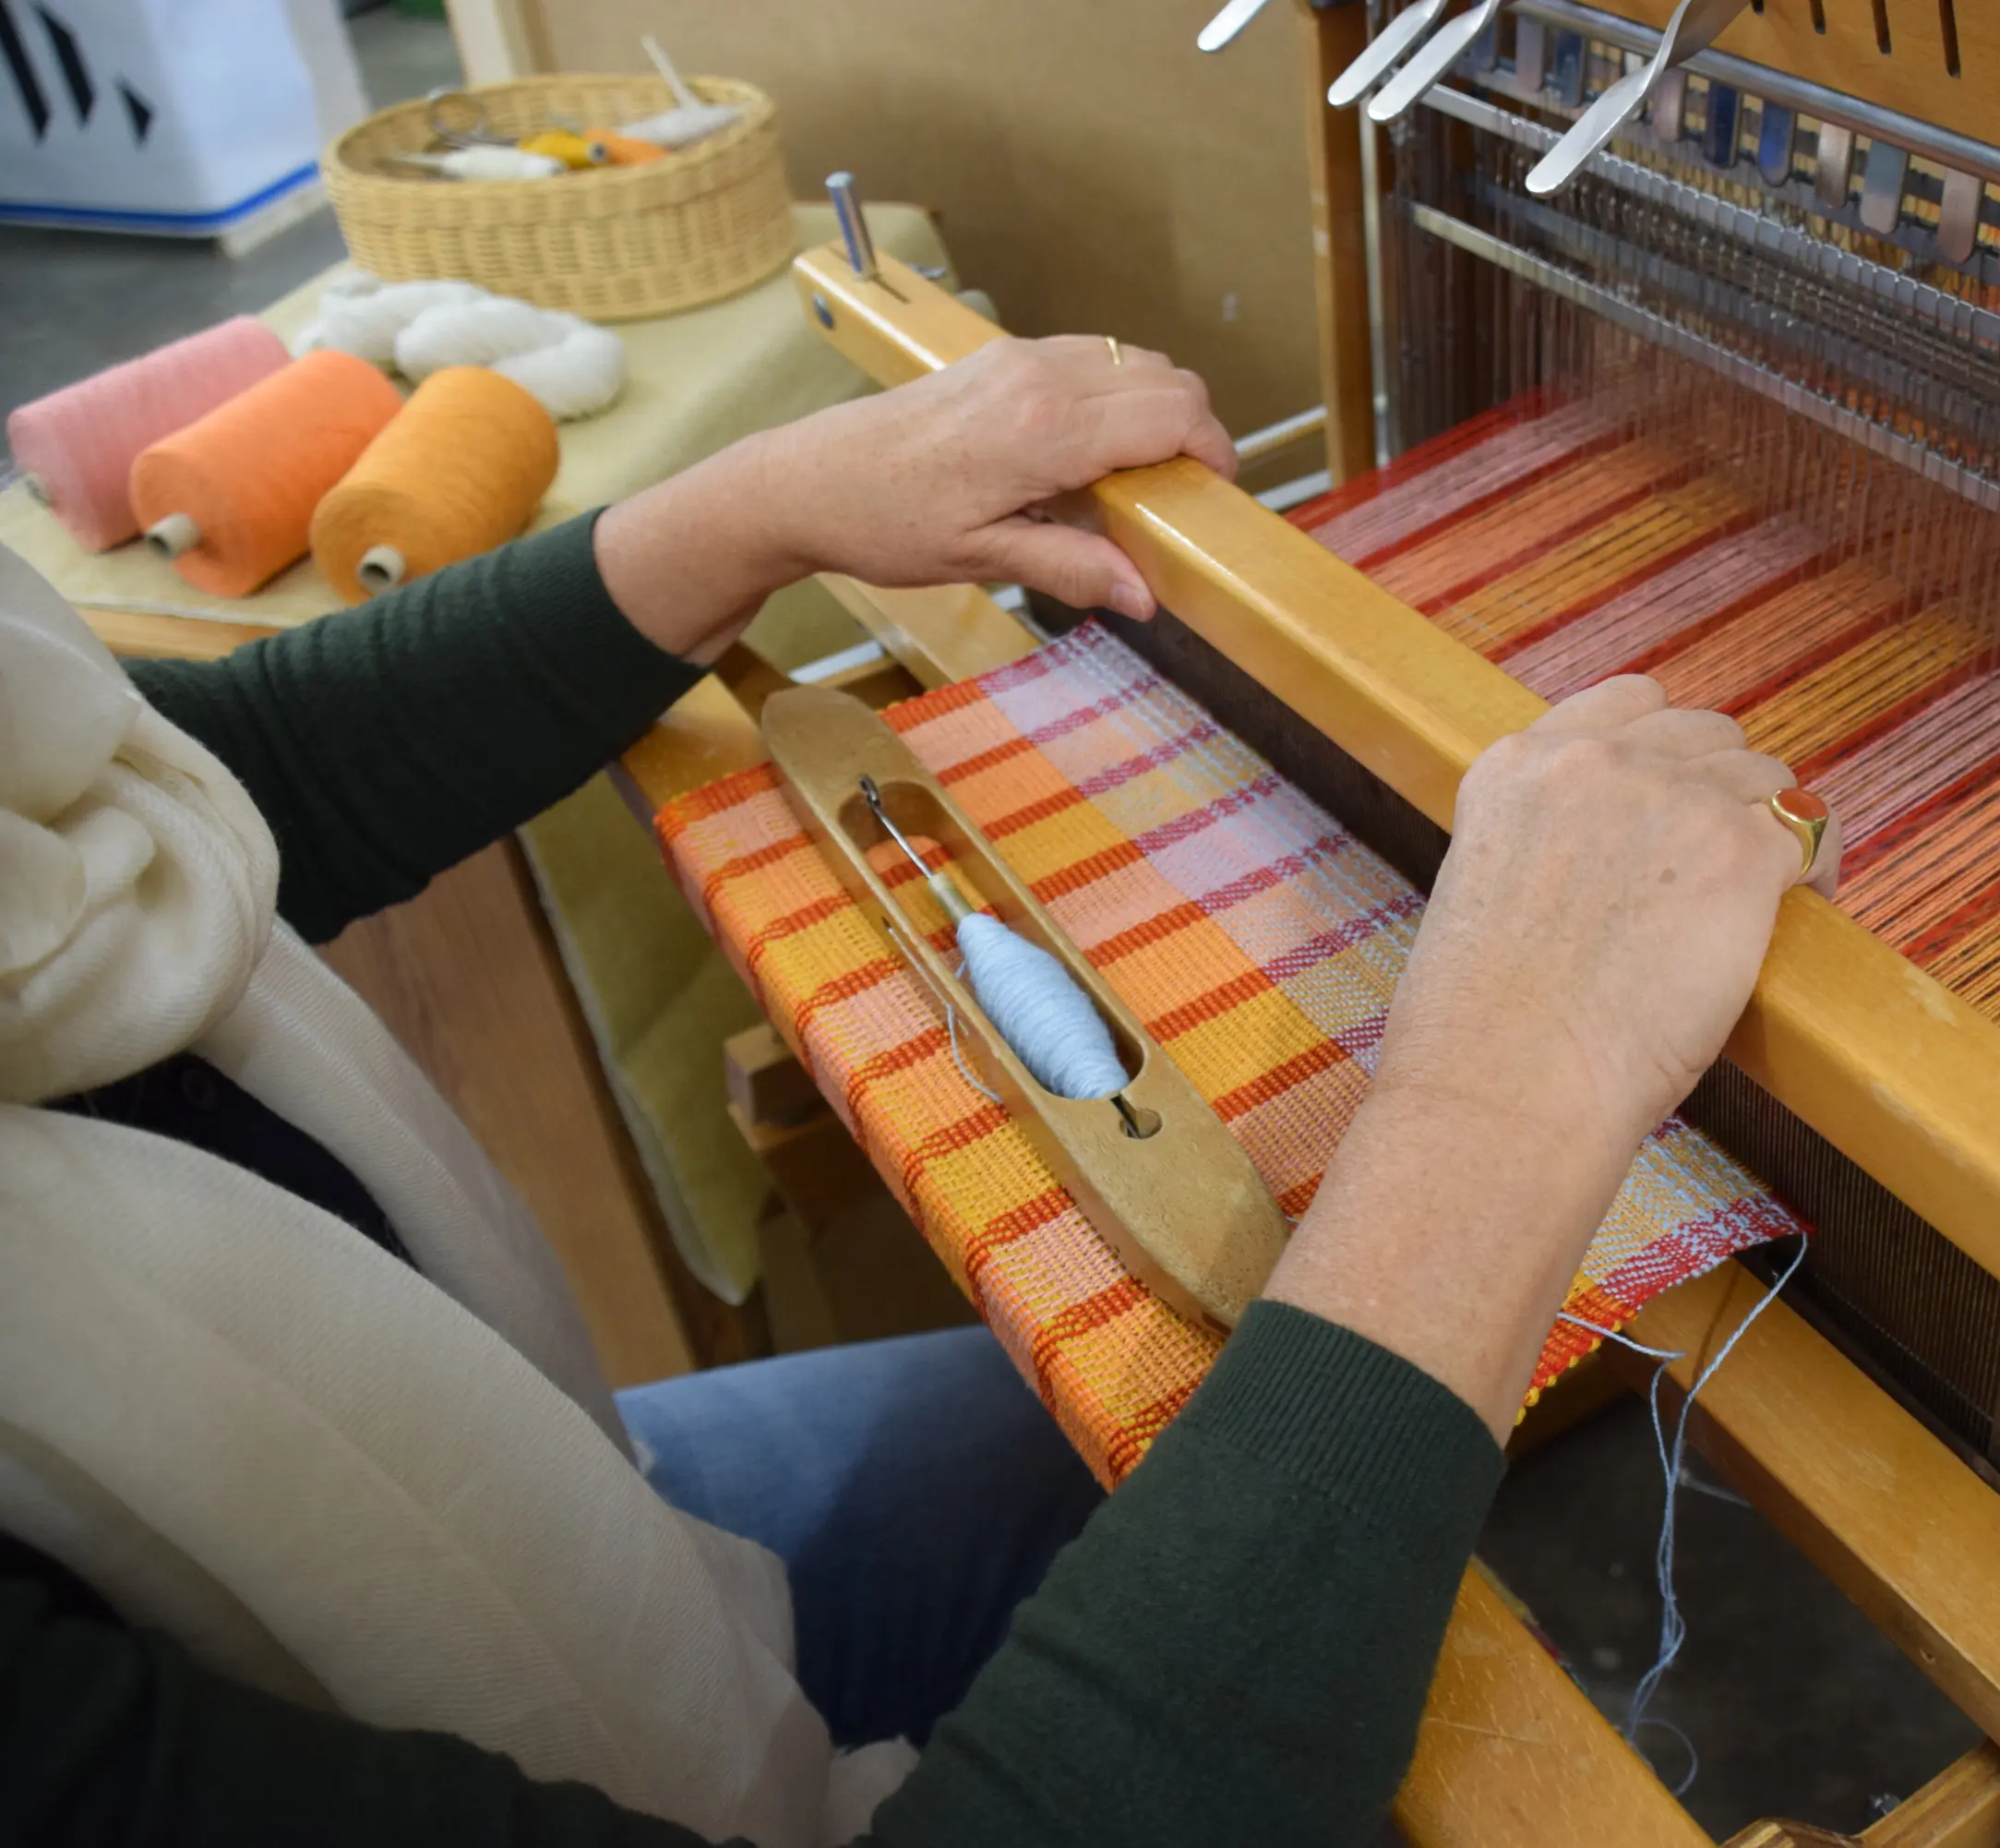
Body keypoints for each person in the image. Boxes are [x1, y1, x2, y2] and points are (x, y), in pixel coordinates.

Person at [0, 335, 1820, 1846]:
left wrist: (757, 511)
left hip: (515, 1491)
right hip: (416, 1649)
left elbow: (199, 794)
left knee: (1180, 1424)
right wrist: (1502, 1102)